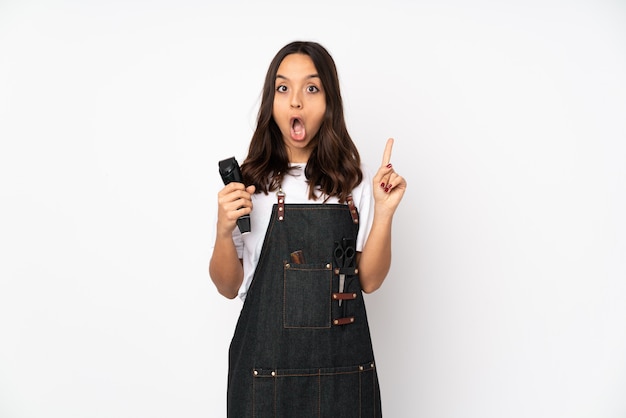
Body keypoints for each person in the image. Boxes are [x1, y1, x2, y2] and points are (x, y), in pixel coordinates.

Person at [209, 40, 406, 417]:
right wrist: (222, 231)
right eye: (283, 88)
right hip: (262, 376)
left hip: (343, 377)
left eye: (311, 88)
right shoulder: (249, 185)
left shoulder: (355, 182)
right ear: (271, 102)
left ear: (329, 100)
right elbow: (227, 285)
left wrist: (383, 213)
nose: (296, 101)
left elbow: (370, 280)